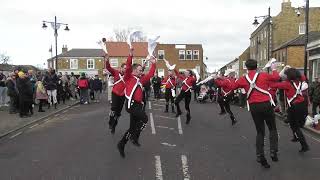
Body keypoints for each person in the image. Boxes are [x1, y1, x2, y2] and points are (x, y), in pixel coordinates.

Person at [220, 59, 280, 168]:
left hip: (254, 107)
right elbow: (276, 77)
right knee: (272, 128)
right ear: (256, 66)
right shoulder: (264, 75)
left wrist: (230, 78)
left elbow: (232, 87)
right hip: (266, 104)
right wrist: (274, 68)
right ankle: (273, 150)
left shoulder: (243, 79)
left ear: (246, 68)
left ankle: (260, 155)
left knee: (260, 131)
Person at [117, 56, 156, 158]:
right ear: (134, 71)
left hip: (138, 105)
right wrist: (130, 54)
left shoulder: (141, 80)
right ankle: (135, 137)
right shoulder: (128, 77)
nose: (141, 72)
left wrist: (154, 63)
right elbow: (128, 66)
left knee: (131, 128)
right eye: (139, 70)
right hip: (132, 105)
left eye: (141, 70)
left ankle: (121, 144)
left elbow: (150, 74)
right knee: (145, 119)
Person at [270, 68, 309, 153]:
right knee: (293, 123)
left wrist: (274, 73)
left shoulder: (287, 84)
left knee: (295, 126)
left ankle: (304, 145)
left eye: (286, 75)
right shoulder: (300, 80)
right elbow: (302, 76)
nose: (285, 76)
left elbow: (275, 85)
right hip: (302, 104)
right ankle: (296, 136)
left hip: (294, 106)